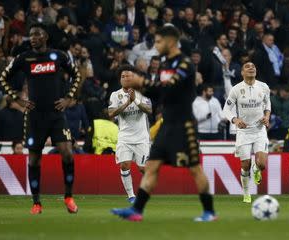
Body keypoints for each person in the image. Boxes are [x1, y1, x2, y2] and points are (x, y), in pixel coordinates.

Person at [111, 26, 216, 222]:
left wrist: (141, 82)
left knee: (195, 169)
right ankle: (137, 210)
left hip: (184, 125)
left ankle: (209, 212)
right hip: (166, 124)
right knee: (151, 166)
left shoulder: (185, 64)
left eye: (159, 42)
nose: (156, 46)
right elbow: (158, 93)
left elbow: (170, 88)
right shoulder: (165, 64)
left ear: (170, 41)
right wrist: (143, 86)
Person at [0, 23, 81, 215]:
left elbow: (76, 74)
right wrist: (17, 98)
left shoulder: (58, 56)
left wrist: (69, 97)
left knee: (67, 152)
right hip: (35, 117)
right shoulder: (24, 58)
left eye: (37, 34)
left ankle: (68, 197)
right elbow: (3, 78)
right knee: (34, 160)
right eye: (31, 35)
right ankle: (36, 203)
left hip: (56, 114)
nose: (33, 38)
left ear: (45, 37)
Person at [223, 62, 271, 203]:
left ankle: (257, 169)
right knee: (245, 165)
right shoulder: (236, 89)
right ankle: (246, 193)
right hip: (243, 132)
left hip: (259, 130)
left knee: (261, 164)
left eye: (253, 66)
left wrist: (267, 116)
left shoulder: (263, 87)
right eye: (247, 67)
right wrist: (235, 119)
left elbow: (267, 104)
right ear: (242, 73)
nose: (251, 68)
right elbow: (226, 109)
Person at [108, 65, 152, 203]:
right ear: (120, 79)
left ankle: (144, 194)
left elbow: (149, 110)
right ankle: (131, 196)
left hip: (141, 138)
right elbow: (111, 113)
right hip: (125, 137)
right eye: (123, 76)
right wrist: (127, 103)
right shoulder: (115, 95)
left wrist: (136, 100)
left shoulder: (142, 92)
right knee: (124, 165)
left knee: (143, 169)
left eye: (129, 76)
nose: (126, 78)